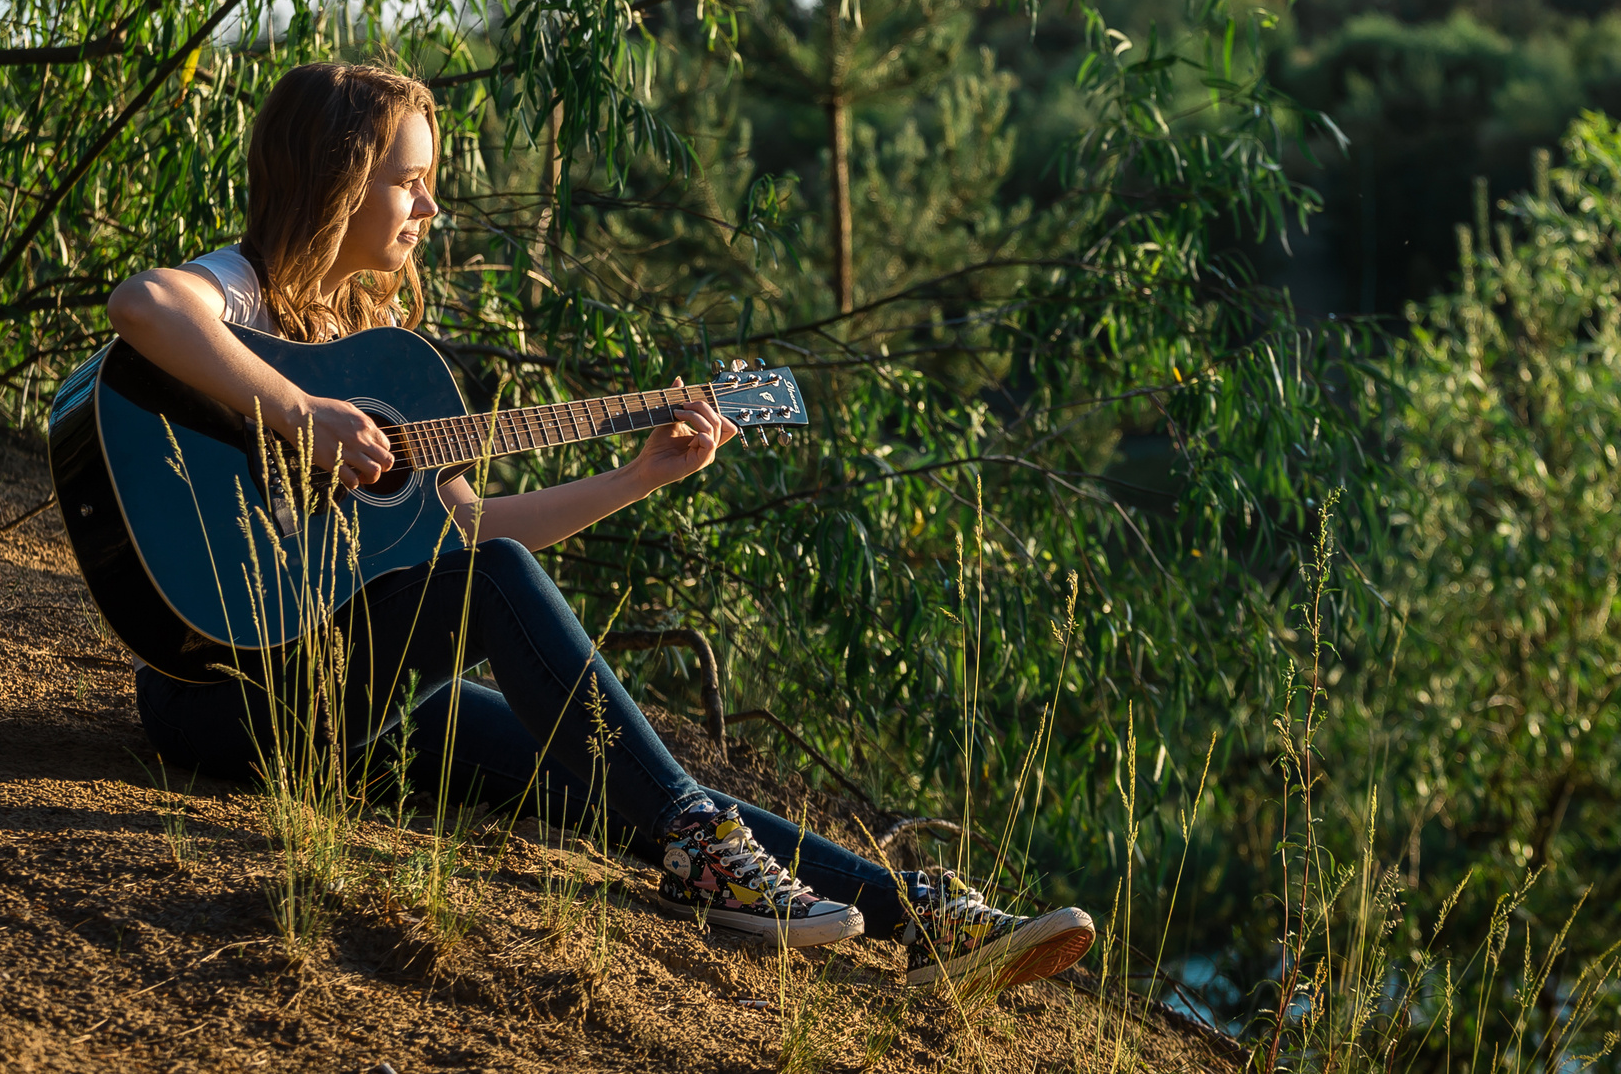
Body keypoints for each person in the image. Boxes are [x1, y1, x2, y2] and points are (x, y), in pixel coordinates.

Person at [105, 60, 1094, 989]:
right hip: (221, 699)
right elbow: (145, 304)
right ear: (339, 177)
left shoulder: (362, 356)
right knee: (515, 609)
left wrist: (640, 474)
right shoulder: (243, 293)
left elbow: (470, 527)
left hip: (339, 691)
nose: (430, 207)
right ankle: (707, 860)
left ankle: (914, 918)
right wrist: (300, 414)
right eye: (410, 182)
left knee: (589, 752)